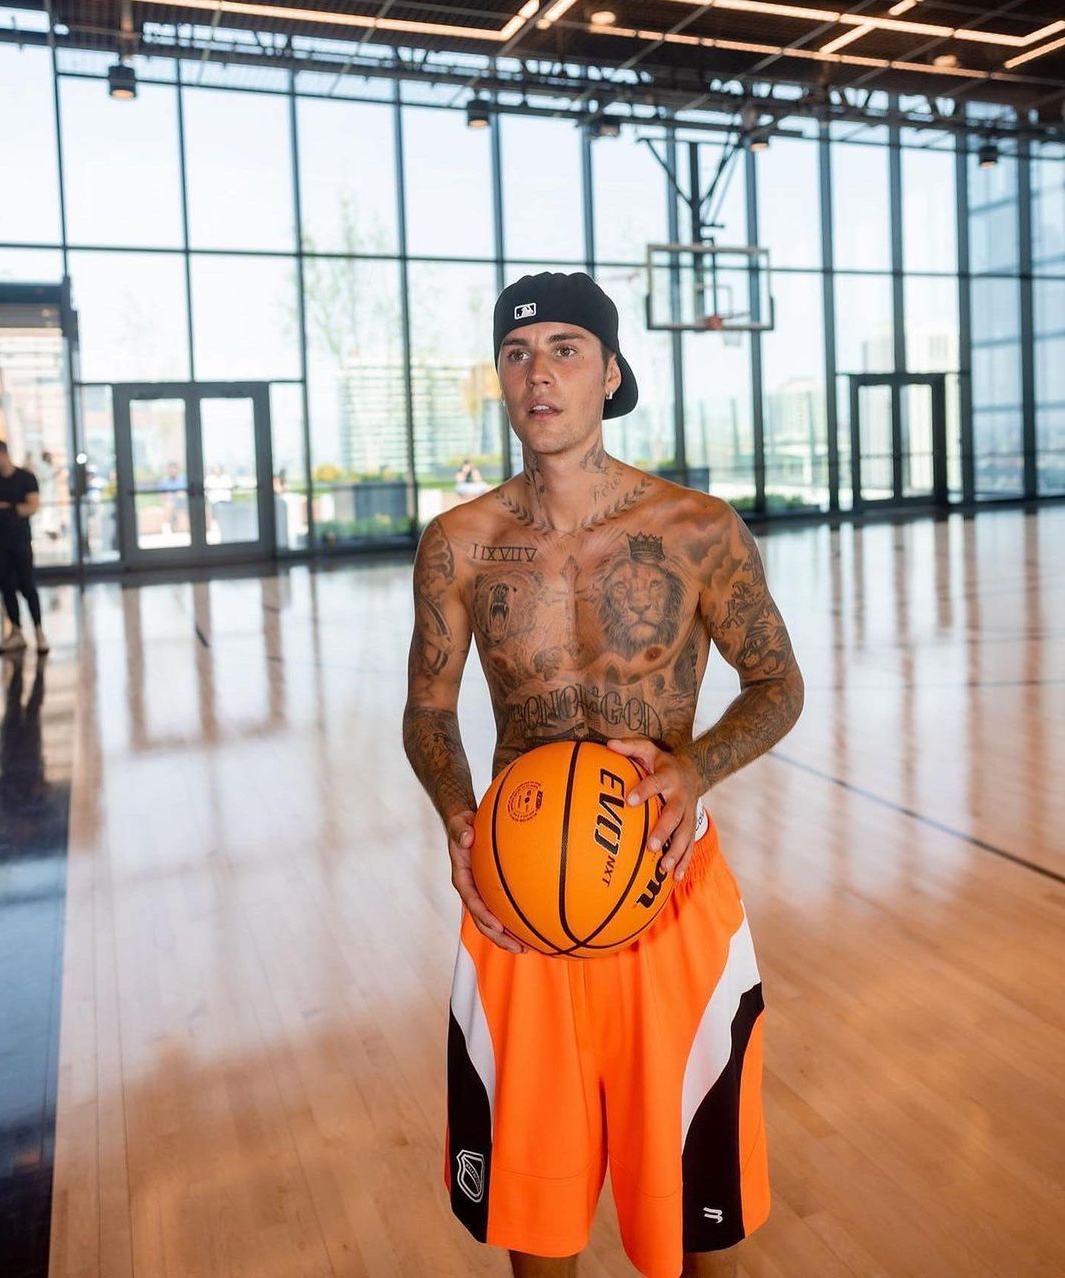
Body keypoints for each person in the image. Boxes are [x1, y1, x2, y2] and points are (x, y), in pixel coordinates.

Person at [403, 272, 804, 1278]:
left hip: (669, 893)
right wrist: (456, 814)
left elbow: (777, 684)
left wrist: (697, 767)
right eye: (516, 353)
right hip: (519, 910)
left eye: (565, 350)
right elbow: (429, 709)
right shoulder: (459, 545)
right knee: (536, 1225)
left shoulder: (697, 528)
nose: (538, 373)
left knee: (698, 1226)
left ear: (611, 374)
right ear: (501, 378)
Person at [0, 438, 48, 656]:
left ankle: (39, 630)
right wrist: (11, 509)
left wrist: (6, 508)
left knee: (27, 585)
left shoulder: (26, 478)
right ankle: (16, 631)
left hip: (20, 541)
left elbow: (32, 507)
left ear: (1, 453)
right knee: (6, 586)